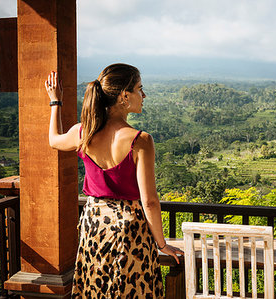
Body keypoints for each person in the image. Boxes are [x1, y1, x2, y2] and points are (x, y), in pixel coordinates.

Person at [45, 63, 183, 298]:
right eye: (140, 89)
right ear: (124, 96)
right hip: (128, 230)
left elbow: (54, 140)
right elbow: (149, 201)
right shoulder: (140, 140)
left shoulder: (83, 133)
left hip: (94, 226)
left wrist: (55, 102)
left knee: (95, 289)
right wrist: (161, 245)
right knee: (132, 290)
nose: (144, 95)